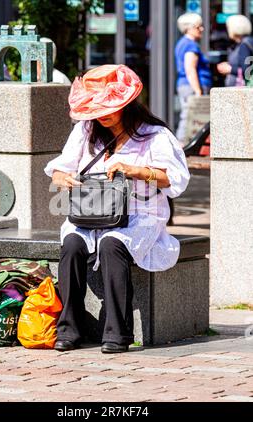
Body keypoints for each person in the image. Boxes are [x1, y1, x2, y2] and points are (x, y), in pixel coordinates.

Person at [44, 64, 190, 353]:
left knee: (113, 244)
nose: (102, 114)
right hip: (91, 211)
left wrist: (136, 170)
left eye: (109, 107)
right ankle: (68, 329)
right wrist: (65, 179)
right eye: (95, 109)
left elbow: (174, 180)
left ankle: (118, 333)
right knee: (72, 244)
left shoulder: (155, 135)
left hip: (140, 214)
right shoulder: (84, 130)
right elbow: (58, 171)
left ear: (127, 104)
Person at [175, 13, 212, 145]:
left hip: (185, 85)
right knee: (189, 116)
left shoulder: (182, 43)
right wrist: (198, 91)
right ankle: (182, 145)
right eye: (198, 26)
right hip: (191, 86)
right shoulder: (190, 45)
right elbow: (190, 69)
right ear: (189, 28)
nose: (202, 29)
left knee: (187, 116)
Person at [217, 15, 253, 87]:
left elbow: (247, 71)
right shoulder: (245, 42)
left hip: (241, 90)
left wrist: (229, 69)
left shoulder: (244, 44)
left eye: (228, 28)